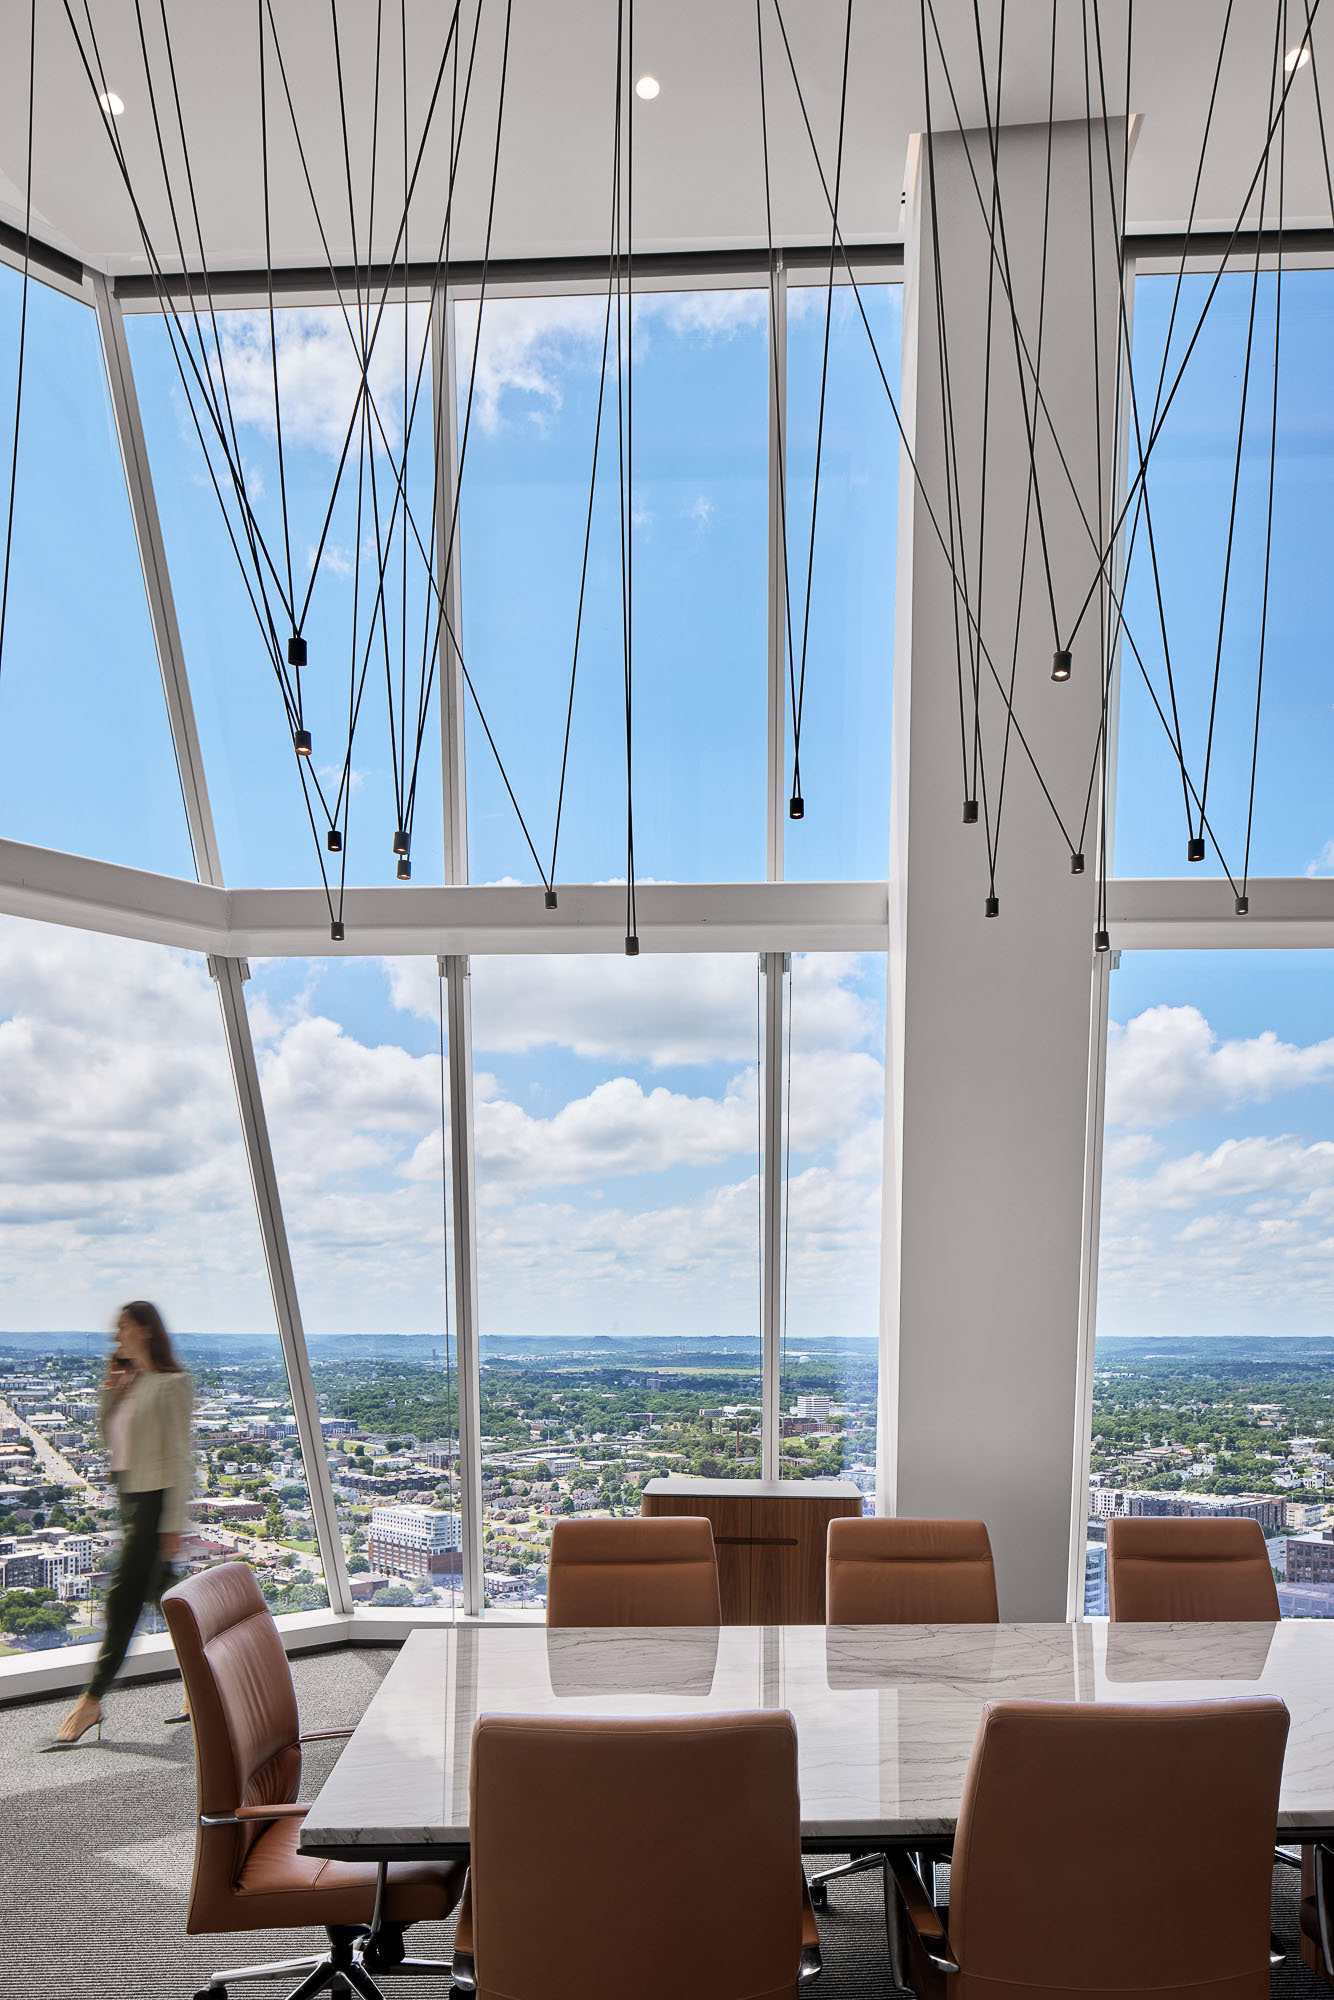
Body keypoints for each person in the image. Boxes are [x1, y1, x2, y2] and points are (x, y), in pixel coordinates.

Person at [47, 1301, 193, 1749]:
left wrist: (171, 1524)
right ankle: (204, 1682)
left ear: (145, 1330)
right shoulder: (135, 1383)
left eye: (123, 1329)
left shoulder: (172, 1384)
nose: (117, 1337)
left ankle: (91, 1700)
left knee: (122, 1599)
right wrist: (113, 1388)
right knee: (167, 1599)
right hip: (131, 1499)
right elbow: (107, 1438)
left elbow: (180, 1459)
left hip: (153, 1504)